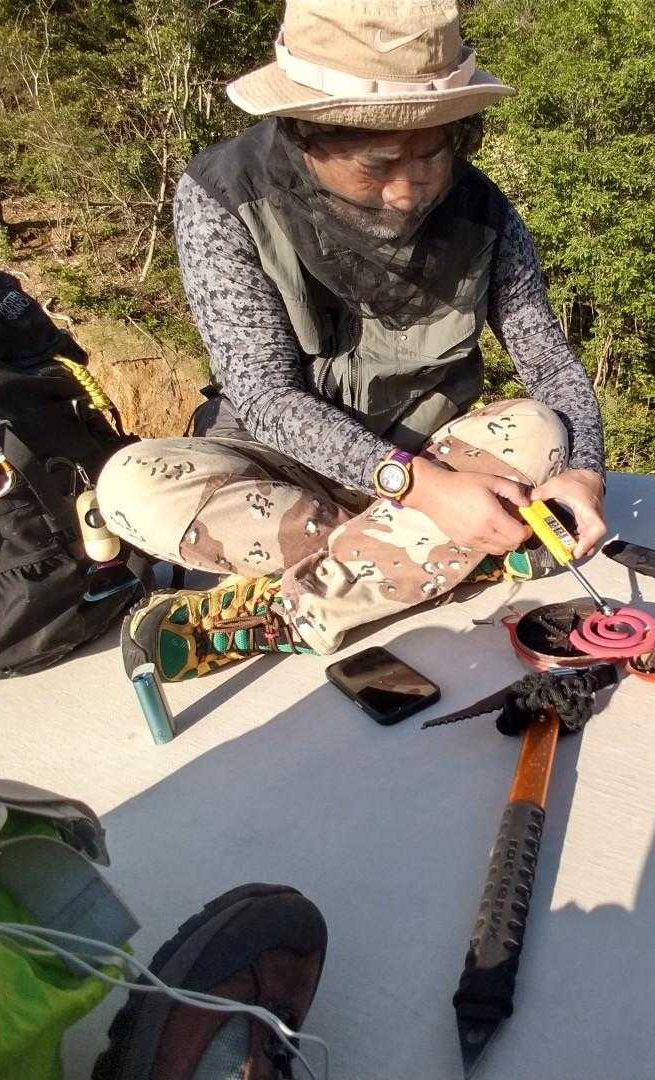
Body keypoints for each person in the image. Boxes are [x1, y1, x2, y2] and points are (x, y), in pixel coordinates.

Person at [98, 0, 607, 688]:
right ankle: (429, 556)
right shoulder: (221, 196)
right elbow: (264, 393)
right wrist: (418, 492)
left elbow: (547, 362)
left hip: (435, 450)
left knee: (541, 428)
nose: (408, 190)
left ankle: (296, 610)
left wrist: (585, 473)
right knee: (131, 485)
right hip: (283, 466)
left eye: (433, 153)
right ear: (306, 134)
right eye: (378, 164)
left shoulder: (484, 210)